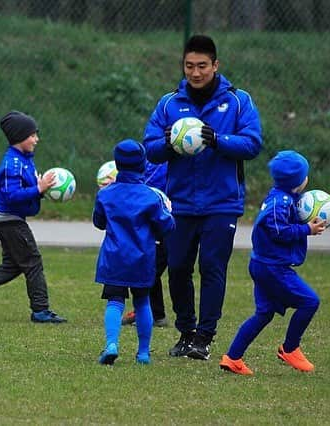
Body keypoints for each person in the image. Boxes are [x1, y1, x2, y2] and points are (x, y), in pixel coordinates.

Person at [143, 34, 263, 360]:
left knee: (212, 268)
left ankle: (205, 337)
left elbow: (252, 144)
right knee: (178, 267)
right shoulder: (169, 104)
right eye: (189, 66)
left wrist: (216, 139)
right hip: (179, 203)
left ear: (215, 65)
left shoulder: (238, 101)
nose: (195, 73)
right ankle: (186, 332)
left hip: (221, 203)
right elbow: (150, 149)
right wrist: (168, 143)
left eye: (202, 66)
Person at [220, 151, 325, 375]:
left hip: (263, 264)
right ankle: (289, 349)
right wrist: (307, 229)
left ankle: (232, 358)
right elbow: (278, 230)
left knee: (264, 313)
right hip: (272, 268)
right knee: (310, 302)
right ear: (298, 181)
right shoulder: (280, 202)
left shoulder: (282, 196)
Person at [0, 110, 67, 323]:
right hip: (10, 222)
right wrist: (38, 188)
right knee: (33, 261)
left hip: (12, 221)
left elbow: (25, 192)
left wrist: (41, 189)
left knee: (13, 265)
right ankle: (40, 310)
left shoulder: (25, 160)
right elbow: (10, 195)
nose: (37, 139)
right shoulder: (12, 164)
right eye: (32, 135)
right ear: (19, 137)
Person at [93, 139, 175, 365]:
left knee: (114, 301)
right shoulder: (151, 196)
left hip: (114, 257)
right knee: (142, 302)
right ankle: (143, 353)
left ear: (117, 165)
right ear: (143, 165)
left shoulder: (106, 194)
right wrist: (168, 211)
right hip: (142, 258)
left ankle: (111, 344)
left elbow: (99, 222)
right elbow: (167, 227)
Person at [120, 161, 170, 328]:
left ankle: (154, 313)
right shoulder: (147, 160)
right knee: (148, 267)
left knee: (153, 269)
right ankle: (150, 312)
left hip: (166, 217)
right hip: (147, 220)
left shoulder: (175, 160)